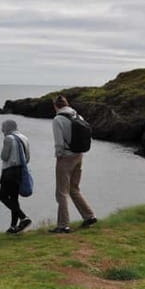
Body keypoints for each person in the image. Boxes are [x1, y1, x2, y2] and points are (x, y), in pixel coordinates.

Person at [50, 95, 97, 234]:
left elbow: (59, 143)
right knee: (74, 188)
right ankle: (89, 216)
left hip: (66, 158)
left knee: (61, 192)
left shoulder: (58, 119)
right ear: (67, 104)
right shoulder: (78, 115)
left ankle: (63, 225)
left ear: (55, 106)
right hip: (79, 155)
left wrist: (58, 157)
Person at [0, 119, 32, 234]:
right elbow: (27, 157)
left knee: (2, 197)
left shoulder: (8, 139)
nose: (2, 130)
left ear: (8, 127)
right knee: (14, 199)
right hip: (20, 171)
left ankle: (24, 217)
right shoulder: (24, 138)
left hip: (9, 171)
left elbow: (4, 156)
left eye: (3, 127)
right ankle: (13, 226)